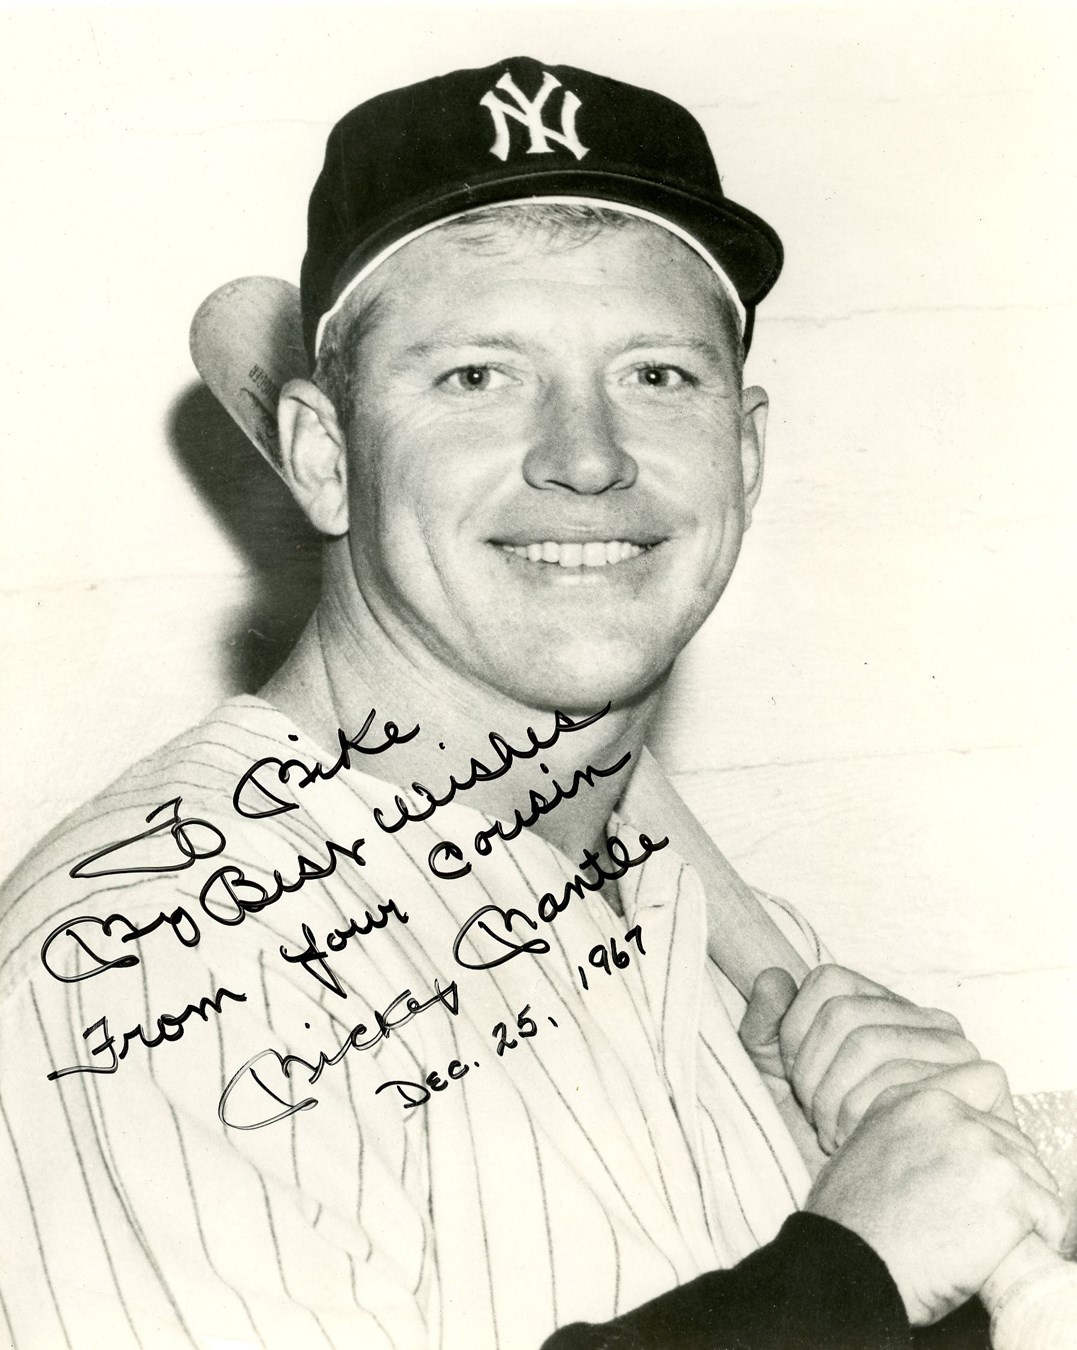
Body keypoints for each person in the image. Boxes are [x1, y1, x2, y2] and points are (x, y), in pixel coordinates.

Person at [0, 56, 1066, 1350]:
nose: (585, 456)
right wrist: (849, 1277)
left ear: (742, 451)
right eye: (476, 376)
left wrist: (967, 1258)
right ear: (326, 459)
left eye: (655, 375)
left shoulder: (722, 932)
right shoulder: (141, 968)